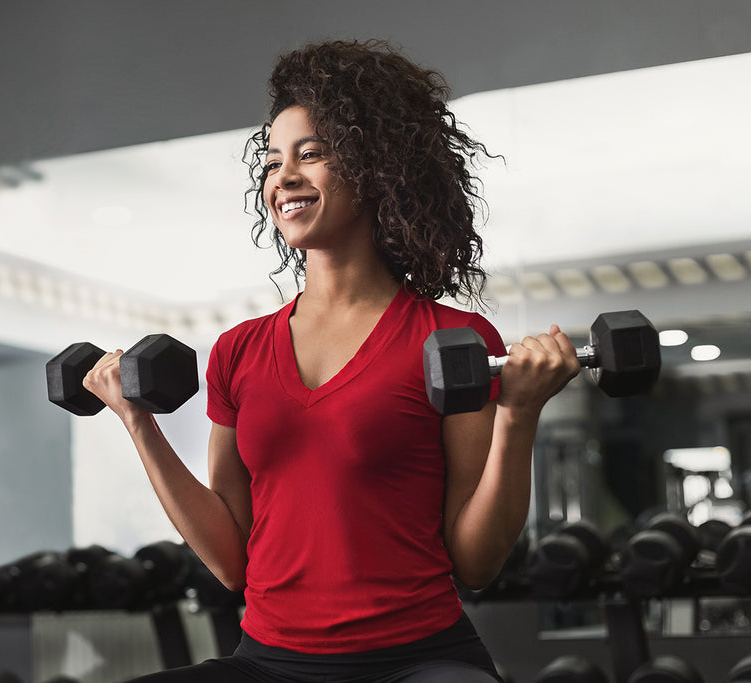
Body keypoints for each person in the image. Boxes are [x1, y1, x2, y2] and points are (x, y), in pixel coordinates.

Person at [83, 39, 580, 682]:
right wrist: (137, 422)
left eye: (311, 154)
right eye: (272, 161)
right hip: (270, 663)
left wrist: (518, 414)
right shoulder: (240, 350)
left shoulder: (451, 340)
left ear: (376, 167)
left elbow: (477, 563)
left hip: (416, 661)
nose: (282, 177)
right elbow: (232, 559)